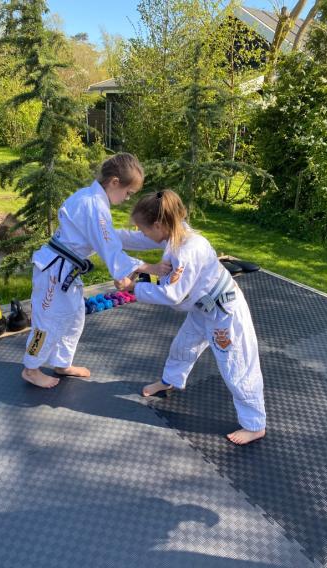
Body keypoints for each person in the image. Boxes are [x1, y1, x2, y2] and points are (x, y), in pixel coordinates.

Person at [116, 189, 266, 445]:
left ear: (159, 225)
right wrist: (103, 237)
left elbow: (173, 295)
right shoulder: (175, 232)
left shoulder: (187, 251)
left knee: (237, 366)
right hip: (202, 308)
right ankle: (170, 381)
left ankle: (255, 424)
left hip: (224, 315)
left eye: (144, 229)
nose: (142, 233)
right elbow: (136, 239)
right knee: (183, 346)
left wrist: (134, 288)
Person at [22, 154, 172, 389]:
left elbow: (109, 238)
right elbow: (108, 246)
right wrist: (148, 267)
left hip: (66, 271)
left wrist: (156, 242)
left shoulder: (93, 200)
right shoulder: (93, 204)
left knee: (74, 317)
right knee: (47, 322)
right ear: (114, 182)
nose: (127, 198)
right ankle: (31, 369)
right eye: (128, 193)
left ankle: (61, 363)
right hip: (53, 272)